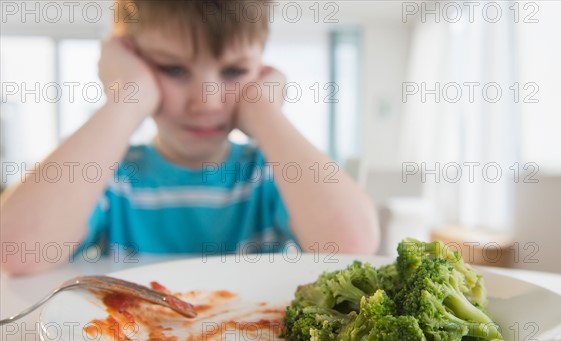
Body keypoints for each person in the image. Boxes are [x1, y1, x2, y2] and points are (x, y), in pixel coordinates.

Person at [0, 0, 379, 275]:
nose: (207, 101)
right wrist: (127, 98)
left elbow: (352, 246)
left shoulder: (269, 173)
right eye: (173, 68)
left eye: (234, 71)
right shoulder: (110, 177)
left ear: (261, 70)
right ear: (129, 63)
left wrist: (265, 112)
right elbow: (17, 249)